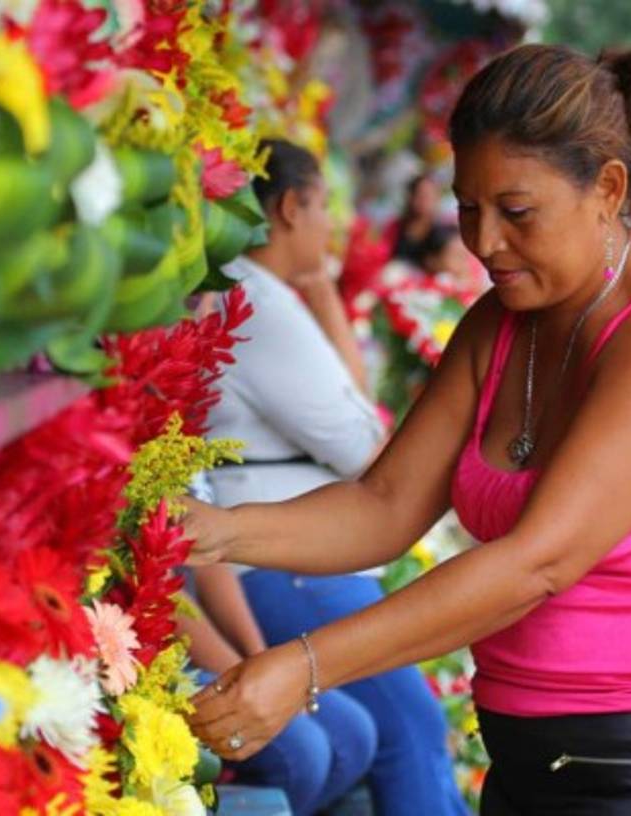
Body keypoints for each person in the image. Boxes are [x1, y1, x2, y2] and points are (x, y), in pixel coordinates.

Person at [183, 44, 631, 815]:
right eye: (467, 209)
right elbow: (383, 505)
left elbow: (535, 564)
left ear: (608, 189)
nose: (483, 243)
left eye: (516, 212)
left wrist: (305, 665)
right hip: (529, 764)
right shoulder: (503, 322)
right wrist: (213, 531)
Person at [205, 138, 470, 816]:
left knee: (395, 727)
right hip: (278, 561)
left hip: (289, 550)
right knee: (411, 727)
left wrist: (323, 290)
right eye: (324, 207)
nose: (333, 228)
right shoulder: (251, 299)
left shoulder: (271, 292)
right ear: (291, 207)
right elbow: (364, 447)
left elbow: (362, 423)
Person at [178, 563, 377, 816]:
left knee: (353, 732)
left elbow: (209, 566)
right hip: (155, 655)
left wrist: (262, 663)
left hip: (207, 644)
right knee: (305, 751)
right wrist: (249, 682)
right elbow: (167, 601)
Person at [387, 173, 442, 266]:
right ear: (410, 197)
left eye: (428, 196)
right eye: (420, 195)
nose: (424, 201)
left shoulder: (444, 231)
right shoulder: (395, 228)